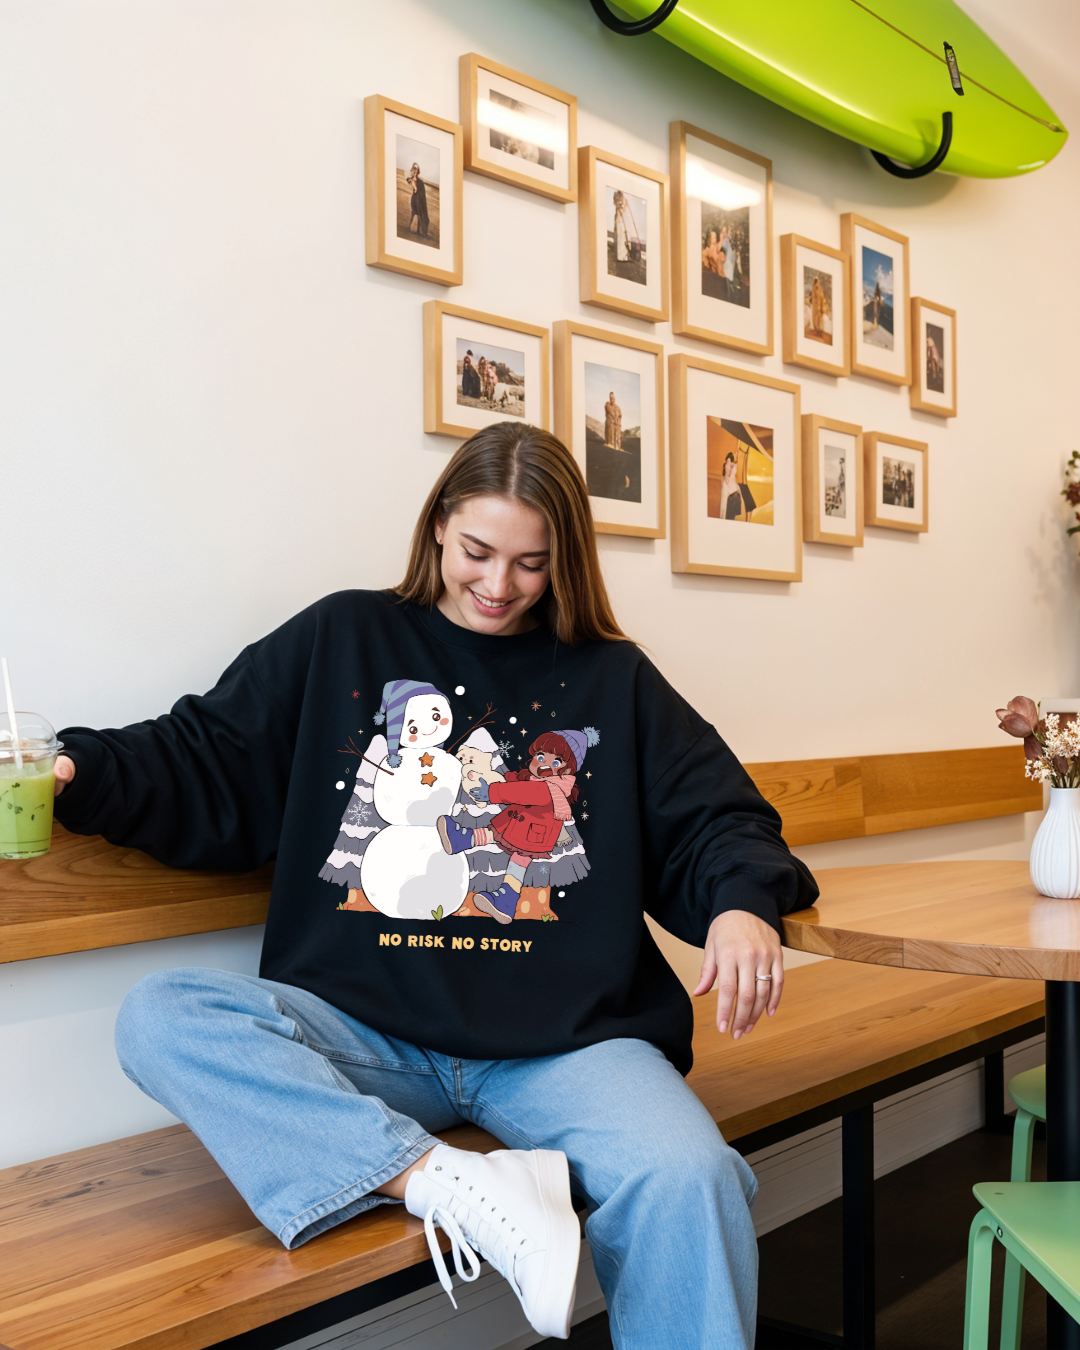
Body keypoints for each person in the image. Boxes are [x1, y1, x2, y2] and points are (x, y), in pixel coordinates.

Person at [50, 422, 817, 1348]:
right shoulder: (344, 634)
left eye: (532, 564)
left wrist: (740, 903)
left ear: (565, 560)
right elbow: (206, 758)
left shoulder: (612, 677)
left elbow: (716, 817)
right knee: (161, 1014)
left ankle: (449, 1181)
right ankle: (444, 1182)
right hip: (370, 1036)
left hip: (566, 1047)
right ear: (438, 527)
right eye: (478, 552)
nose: (499, 587)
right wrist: (73, 769)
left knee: (691, 1178)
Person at [406, 161, 429, 238]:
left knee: (418, 213)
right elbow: (415, 189)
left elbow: (420, 192)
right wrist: (414, 181)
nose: (414, 171)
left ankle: (417, 230)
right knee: (416, 213)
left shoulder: (419, 182)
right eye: (413, 170)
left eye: (416, 170)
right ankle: (415, 230)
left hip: (419, 199)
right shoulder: (412, 179)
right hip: (416, 199)